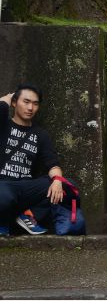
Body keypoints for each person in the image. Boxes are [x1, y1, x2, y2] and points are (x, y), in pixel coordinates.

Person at [0, 86, 64, 236]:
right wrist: (6, 99)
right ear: (15, 103)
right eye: (26, 102)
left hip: (26, 187)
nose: (30, 108)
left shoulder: (41, 135)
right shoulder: (3, 126)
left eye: (35, 103)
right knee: (4, 196)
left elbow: (52, 163)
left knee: (66, 186)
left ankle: (28, 216)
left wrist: (57, 180)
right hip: (3, 184)